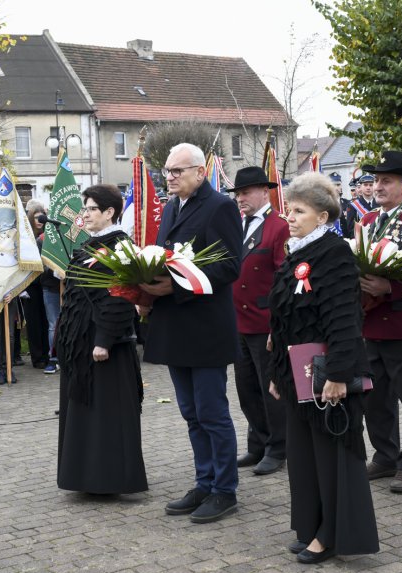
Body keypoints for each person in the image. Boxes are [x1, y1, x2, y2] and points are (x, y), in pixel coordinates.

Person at [267, 172, 379, 564]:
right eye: (288, 210)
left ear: (324, 216)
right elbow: (281, 321)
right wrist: (278, 373)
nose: (290, 217)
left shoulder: (333, 254)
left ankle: (333, 534)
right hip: (297, 373)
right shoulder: (296, 252)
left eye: (299, 211)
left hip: (326, 373)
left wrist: (337, 375)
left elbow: (344, 321)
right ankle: (312, 525)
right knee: (304, 457)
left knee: (331, 455)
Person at [139, 142, 243, 524]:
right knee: (190, 413)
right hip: (176, 326)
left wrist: (176, 287)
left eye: (177, 171)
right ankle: (204, 481)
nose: (170, 177)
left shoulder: (220, 207)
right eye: (167, 171)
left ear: (200, 172)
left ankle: (225, 490)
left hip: (205, 326)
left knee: (212, 412)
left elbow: (231, 266)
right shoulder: (171, 207)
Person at [56, 184, 147, 494]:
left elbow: (120, 298)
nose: (85, 214)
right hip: (79, 346)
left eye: (91, 208)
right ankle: (85, 477)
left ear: (109, 212)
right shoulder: (87, 246)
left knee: (106, 414)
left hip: (103, 347)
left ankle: (109, 478)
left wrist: (104, 340)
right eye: (84, 208)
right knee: (84, 413)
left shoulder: (120, 246)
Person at [356, 151, 402, 493]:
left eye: (386, 181)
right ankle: (385, 456)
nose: (379, 186)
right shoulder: (367, 221)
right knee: (376, 396)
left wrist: (391, 287)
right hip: (370, 324)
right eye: (376, 180)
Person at [227, 166, 289, 476]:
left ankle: (278, 447)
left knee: (270, 389)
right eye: (237, 193)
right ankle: (258, 443)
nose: (240, 198)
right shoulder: (238, 225)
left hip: (265, 321)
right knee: (246, 388)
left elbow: (285, 275)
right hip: (238, 320)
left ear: (265, 192)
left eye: (246, 192)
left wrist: (278, 323)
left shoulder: (279, 226)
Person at [22, 201, 51, 369]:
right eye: (35, 217)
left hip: (47, 283)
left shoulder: (49, 236)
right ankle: (37, 356)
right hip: (31, 285)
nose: (39, 220)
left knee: (47, 320)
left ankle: (48, 353)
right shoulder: (27, 238)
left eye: (41, 217)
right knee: (33, 322)